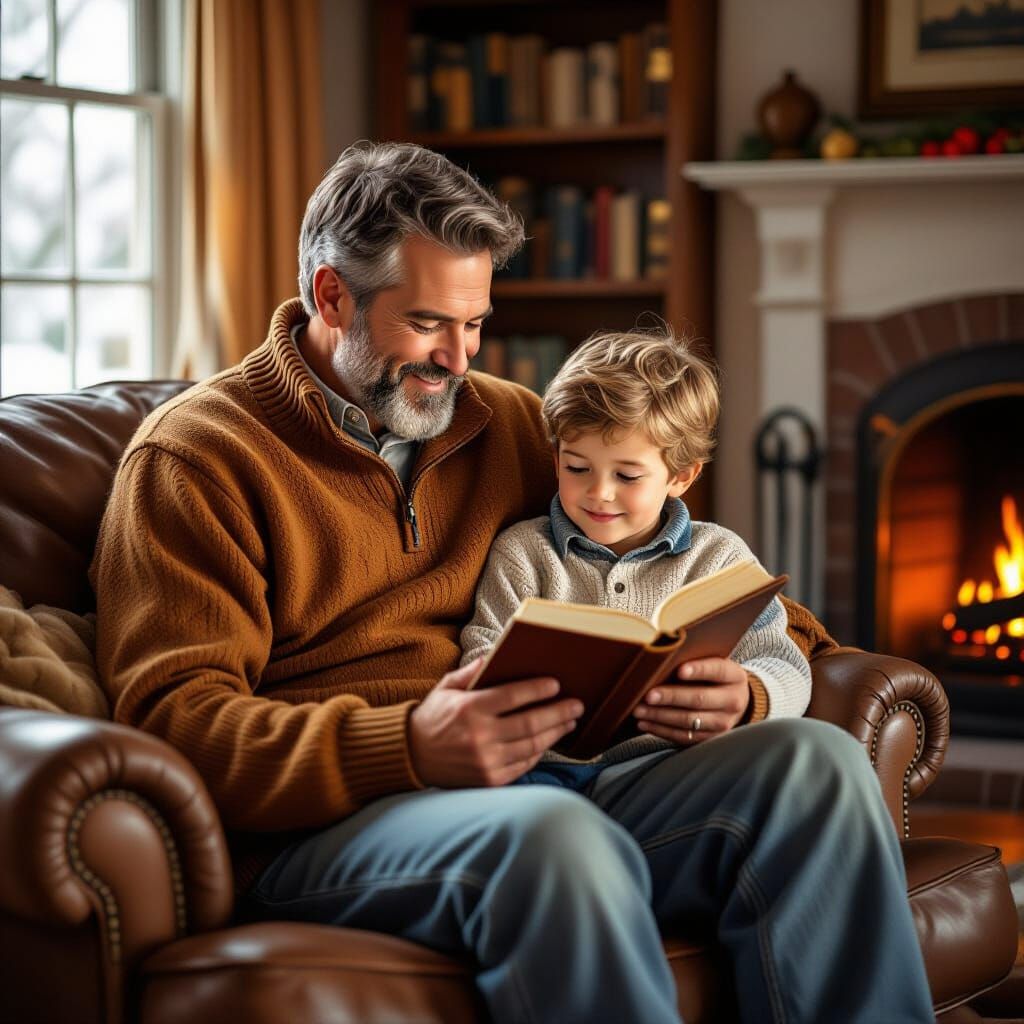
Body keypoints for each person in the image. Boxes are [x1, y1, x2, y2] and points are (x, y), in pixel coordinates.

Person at [91, 141, 935, 1024]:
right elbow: (173, 722)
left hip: (559, 776)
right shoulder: (196, 460)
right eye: (428, 324)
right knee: (554, 838)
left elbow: (750, 603)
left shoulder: (510, 424)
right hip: (340, 825)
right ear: (331, 294)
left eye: (476, 324)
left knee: (820, 767)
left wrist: (748, 693)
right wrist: (409, 744)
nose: (459, 359)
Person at [460, 328, 813, 780]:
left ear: (681, 477)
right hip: (543, 772)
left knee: (821, 754)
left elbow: (784, 662)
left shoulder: (720, 558)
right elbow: (480, 657)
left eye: (627, 476)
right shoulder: (523, 552)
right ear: (555, 459)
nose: (599, 493)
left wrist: (749, 696)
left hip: (673, 770)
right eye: (576, 467)